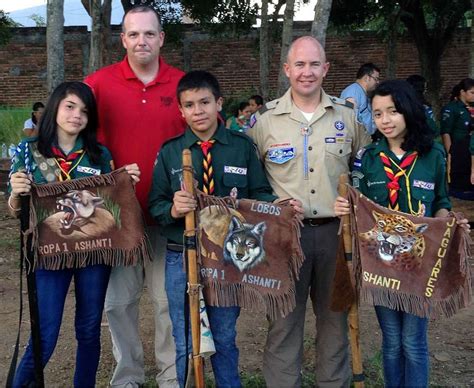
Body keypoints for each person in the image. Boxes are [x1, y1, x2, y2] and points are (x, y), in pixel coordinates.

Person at [149, 70, 302, 387]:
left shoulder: (241, 147)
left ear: (218, 103)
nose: (198, 111)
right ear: (180, 110)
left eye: (205, 102)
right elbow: (156, 204)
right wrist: (174, 208)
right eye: (189, 105)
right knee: (184, 334)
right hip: (183, 255)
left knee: (223, 333)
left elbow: (258, 193)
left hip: (227, 259)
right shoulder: (170, 151)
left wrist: (279, 206)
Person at [247, 36, 370, 387]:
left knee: (335, 322)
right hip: (287, 237)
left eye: (314, 64)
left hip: (336, 235)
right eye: (299, 64)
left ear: (325, 68)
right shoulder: (264, 122)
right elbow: (252, 178)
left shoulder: (346, 117)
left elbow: (368, 167)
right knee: (284, 323)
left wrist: (356, 196)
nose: (307, 72)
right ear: (287, 69)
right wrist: (271, 205)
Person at [334, 79, 470, 387]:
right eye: (378, 113)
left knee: (413, 341)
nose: (385, 120)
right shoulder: (367, 158)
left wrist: (446, 219)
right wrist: (346, 205)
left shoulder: (432, 154)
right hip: (381, 264)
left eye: (392, 111)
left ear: (407, 111)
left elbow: (441, 202)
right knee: (392, 340)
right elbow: (358, 203)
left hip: (419, 266)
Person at [8, 81, 140, 387]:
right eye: (69, 106)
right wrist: (17, 193)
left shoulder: (98, 155)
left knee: (89, 328)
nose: (76, 115)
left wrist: (126, 182)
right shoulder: (29, 151)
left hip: (92, 252)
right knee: (46, 332)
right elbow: (16, 209)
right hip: (48, 255)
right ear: (55, 108)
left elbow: (111, 204)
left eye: (84, 110)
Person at [84, 5, 185, 387]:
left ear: (161, 38)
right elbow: (73, 136)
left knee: (166, 303)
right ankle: (127, 376)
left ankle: (171, 377)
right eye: (133, 34)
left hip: (169, 215)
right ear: (122, 39)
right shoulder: (97, 84)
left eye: (149, 33)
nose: (141, 40)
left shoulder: (182, 86)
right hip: (115, 218)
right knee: (119, 304)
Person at [440, 78, 474, 199]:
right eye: (472, 92)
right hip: (459, 148)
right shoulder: (452, 109)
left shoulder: (470, 109)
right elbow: (446, 132)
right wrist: (450, 152)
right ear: (462, 92)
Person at [340, 62, 381, 135]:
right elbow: (349, 120)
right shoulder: (353, 92)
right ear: (367, 78)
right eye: (376, 79)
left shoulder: (361, 92)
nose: (378, 82)